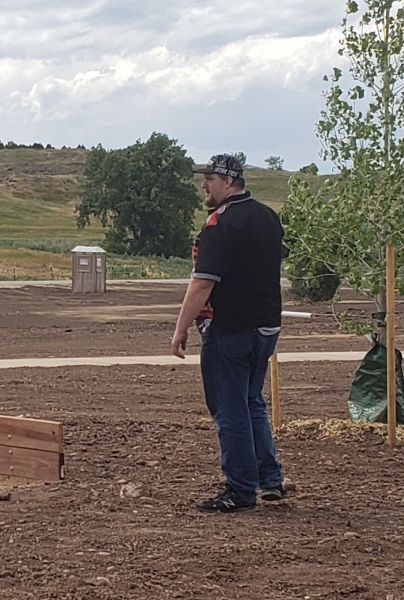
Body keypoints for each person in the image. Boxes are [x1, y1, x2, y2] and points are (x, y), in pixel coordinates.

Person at [171, 154, 285, 513]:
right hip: (266, 326)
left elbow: (202, 283)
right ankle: (270, 479)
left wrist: (181, 327)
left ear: (228, 181)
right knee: (251, 401)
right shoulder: (267, 216)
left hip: (231, 328)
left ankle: (240, 489)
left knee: (230, 409)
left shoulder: (220, 224)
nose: (204, 184)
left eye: (209, 178)